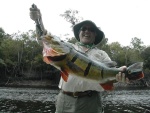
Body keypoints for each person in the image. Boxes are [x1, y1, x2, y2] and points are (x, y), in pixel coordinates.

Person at [30, 5, 129, 113]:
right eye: (84, 29)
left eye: (91, 30)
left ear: (95, 34)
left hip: (90, 102)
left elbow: (112, 74)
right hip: (64, 100)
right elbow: (45, 38)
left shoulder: (102, 54)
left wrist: (123, 73)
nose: (87, 31)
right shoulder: (69, 47)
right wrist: (38, 20)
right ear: (79, 32)